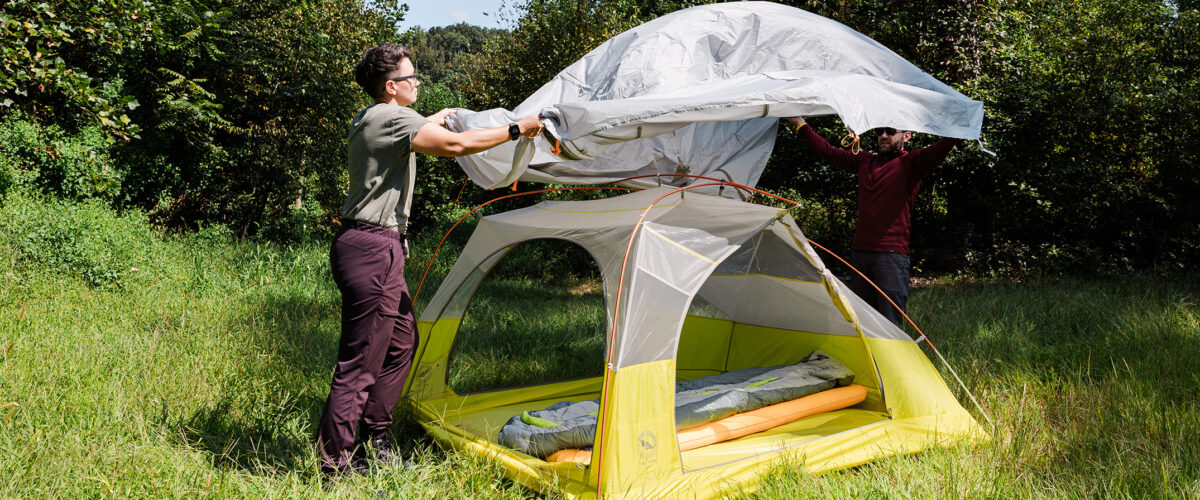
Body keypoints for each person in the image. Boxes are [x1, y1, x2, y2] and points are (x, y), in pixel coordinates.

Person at [318, 43, 542, 475]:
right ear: (391, 86)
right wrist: (518, 129)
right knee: (361, 361)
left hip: (371, 246)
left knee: (401, 343)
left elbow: (425, 130)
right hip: (372, 248)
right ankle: (337, 466)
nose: (417, 82)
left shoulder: (376, 117)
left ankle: (375, 435)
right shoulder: (390, 118)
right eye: (411, 77)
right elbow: (457, 145)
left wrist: (435, 118)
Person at [786, 116, 960, 326]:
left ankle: (894, 359)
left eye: (890, 130)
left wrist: (960, 119)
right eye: (879, 131)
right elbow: (828, 152)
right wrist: (799, 123)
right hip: (860, 254)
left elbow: (944, 144)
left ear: (907, 136)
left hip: (891, 256)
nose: (884, 135)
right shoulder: (865, 161)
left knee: (889, 323)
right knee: (863, 321)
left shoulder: (912, 162)